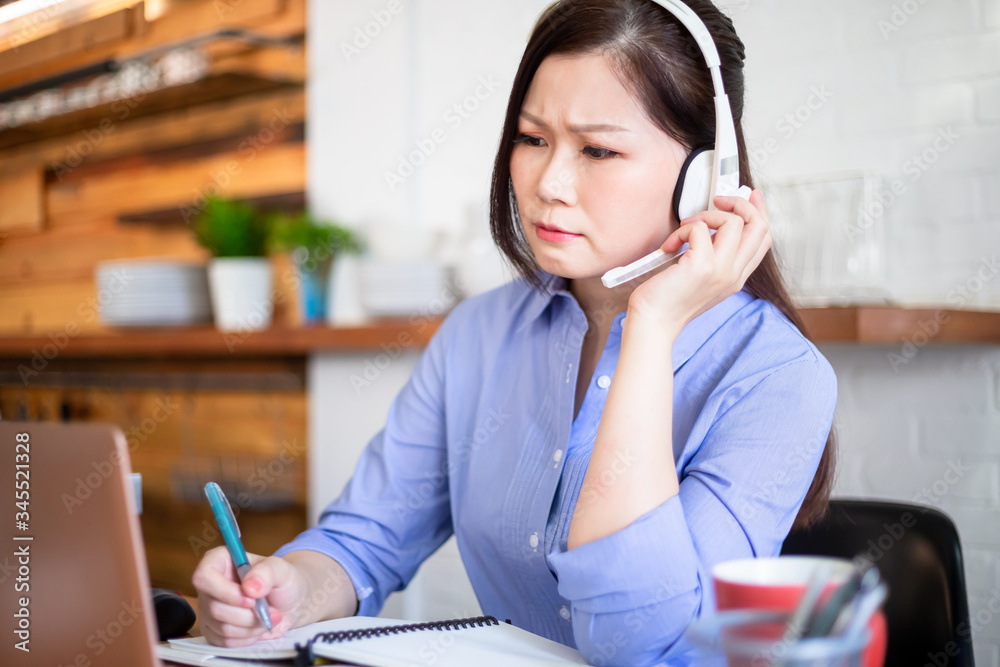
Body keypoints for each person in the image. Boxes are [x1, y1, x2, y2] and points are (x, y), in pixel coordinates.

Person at [191, 1, 838, 664]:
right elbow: (366, 538)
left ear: (707, 178)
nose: (549, 183)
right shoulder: (477, 334)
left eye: (598, 149)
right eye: (532, 139)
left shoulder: (779, 377)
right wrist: (287, 590)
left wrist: (650, 327)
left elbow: (642, 643)